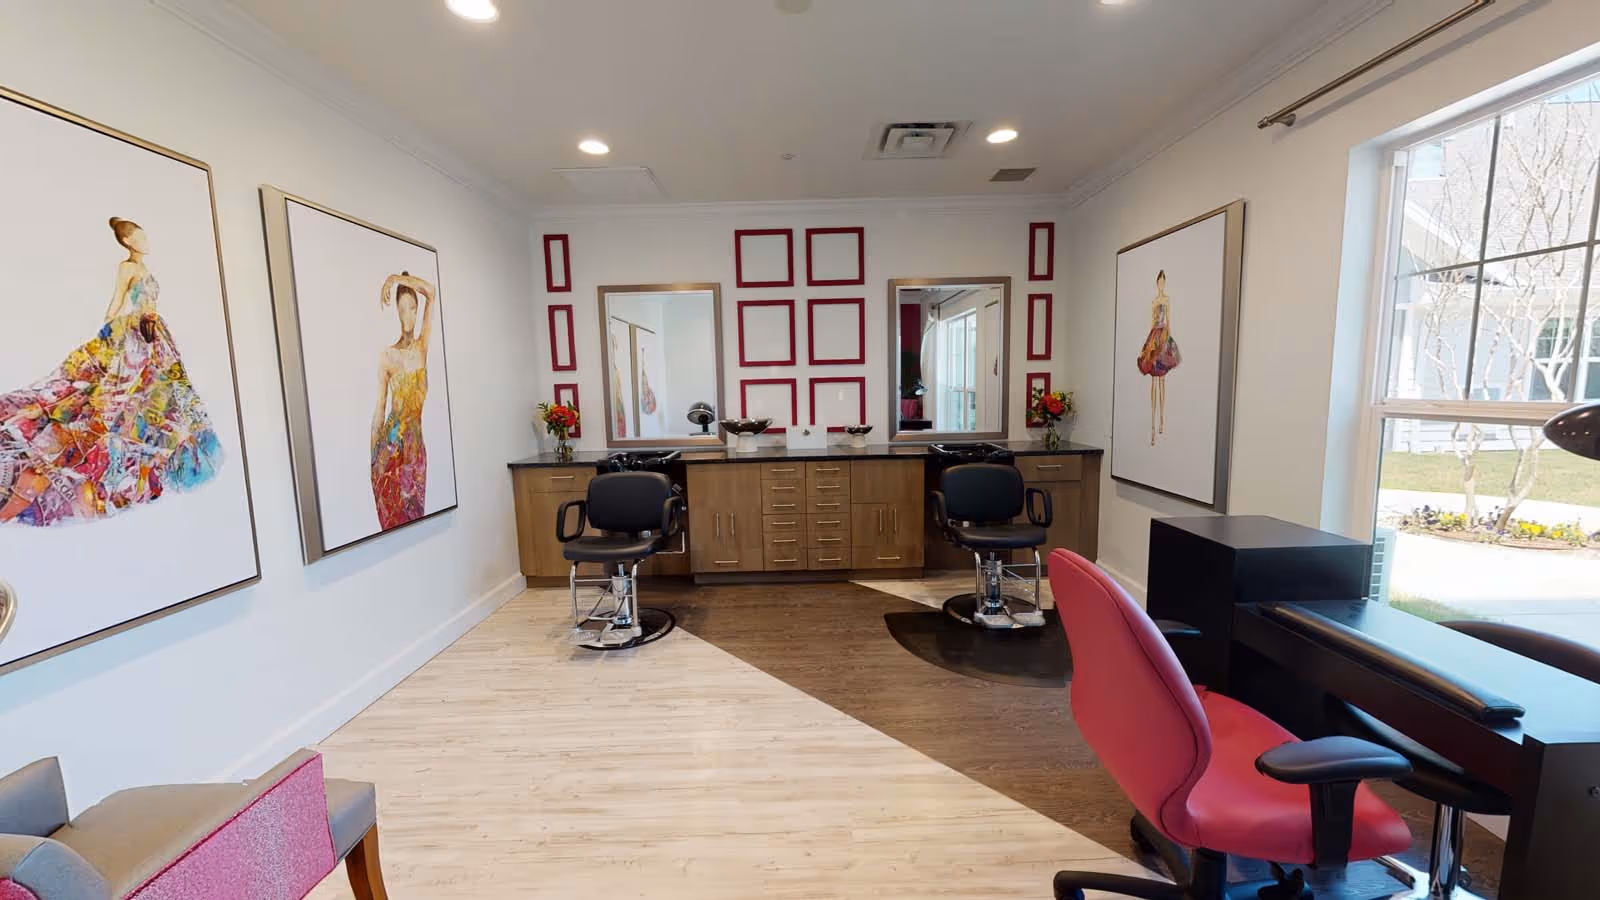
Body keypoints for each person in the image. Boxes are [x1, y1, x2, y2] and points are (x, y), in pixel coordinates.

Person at [0, 217, 222, 526]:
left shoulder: (145, 268)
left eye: (145, 237)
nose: (145, 243)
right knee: (114, 394)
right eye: (139, 238)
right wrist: (107, 333)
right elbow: (118, 299)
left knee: (161, 392)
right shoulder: (127, 268)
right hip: (135, 333)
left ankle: (166, 447)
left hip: (154, 333)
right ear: (128, 242)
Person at [370, 270, 437, 529]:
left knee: (416, 520)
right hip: (390, 451)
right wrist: (373, 460)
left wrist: (395, 279)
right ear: (397, 314)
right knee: (394, 525)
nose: (408, 315)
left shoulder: (421, 348)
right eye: (402, 309)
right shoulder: (387, 356)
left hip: (415, 450)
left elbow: (431, 291)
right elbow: (379, 411)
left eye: (412, 308)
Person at [1136, 270, 1182, 446]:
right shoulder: (1154, 301)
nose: (1161, 284)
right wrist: (1150, 344)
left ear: (1165, 283)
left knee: (1162, 379)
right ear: (1157, 283)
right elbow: (1152, 322)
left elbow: (1168, 321)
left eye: (1163, 282)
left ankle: (1162, 420)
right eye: (1159, 282)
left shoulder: (1167, 300)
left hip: (1163, 335)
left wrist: (1167, 341)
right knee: (1154, 380)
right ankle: (1153, 426)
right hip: (1155, 335)